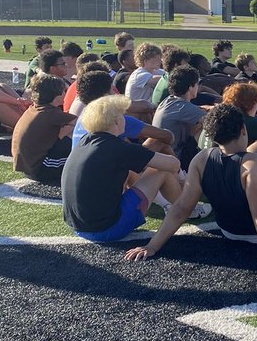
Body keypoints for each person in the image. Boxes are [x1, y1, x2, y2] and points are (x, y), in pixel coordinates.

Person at [125, 103, 257, 277]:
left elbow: (181, 208)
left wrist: (151, 246)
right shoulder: (255, 166)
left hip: (228, 230)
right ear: (243, 130)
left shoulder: (201, 158)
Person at [62, 95, 182, 242]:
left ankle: (165, 202)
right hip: (107, 229)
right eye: (123, 115)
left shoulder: (84, 142)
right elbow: (173, 164)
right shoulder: (118, 148)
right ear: (117, 121)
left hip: (78, 227)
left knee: (130, 170)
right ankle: (187, 209)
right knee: (161, 171)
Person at [11, 75, 75, 184]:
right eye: (63, 91)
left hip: (29, 168)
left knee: (66, 132)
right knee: (72, 138)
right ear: (57, 95)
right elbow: (82, 124)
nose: (65, 93)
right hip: (41, 169)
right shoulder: (51, 114)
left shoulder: (34, 109)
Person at [153, 66, 209, 168]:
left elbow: (196, 109)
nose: (198, 87)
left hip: (164, 155)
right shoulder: (183, 107)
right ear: (190, 87)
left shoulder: (169, 101)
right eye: (198, 83)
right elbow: (214, 121)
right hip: (176, 158)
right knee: (205, 127)